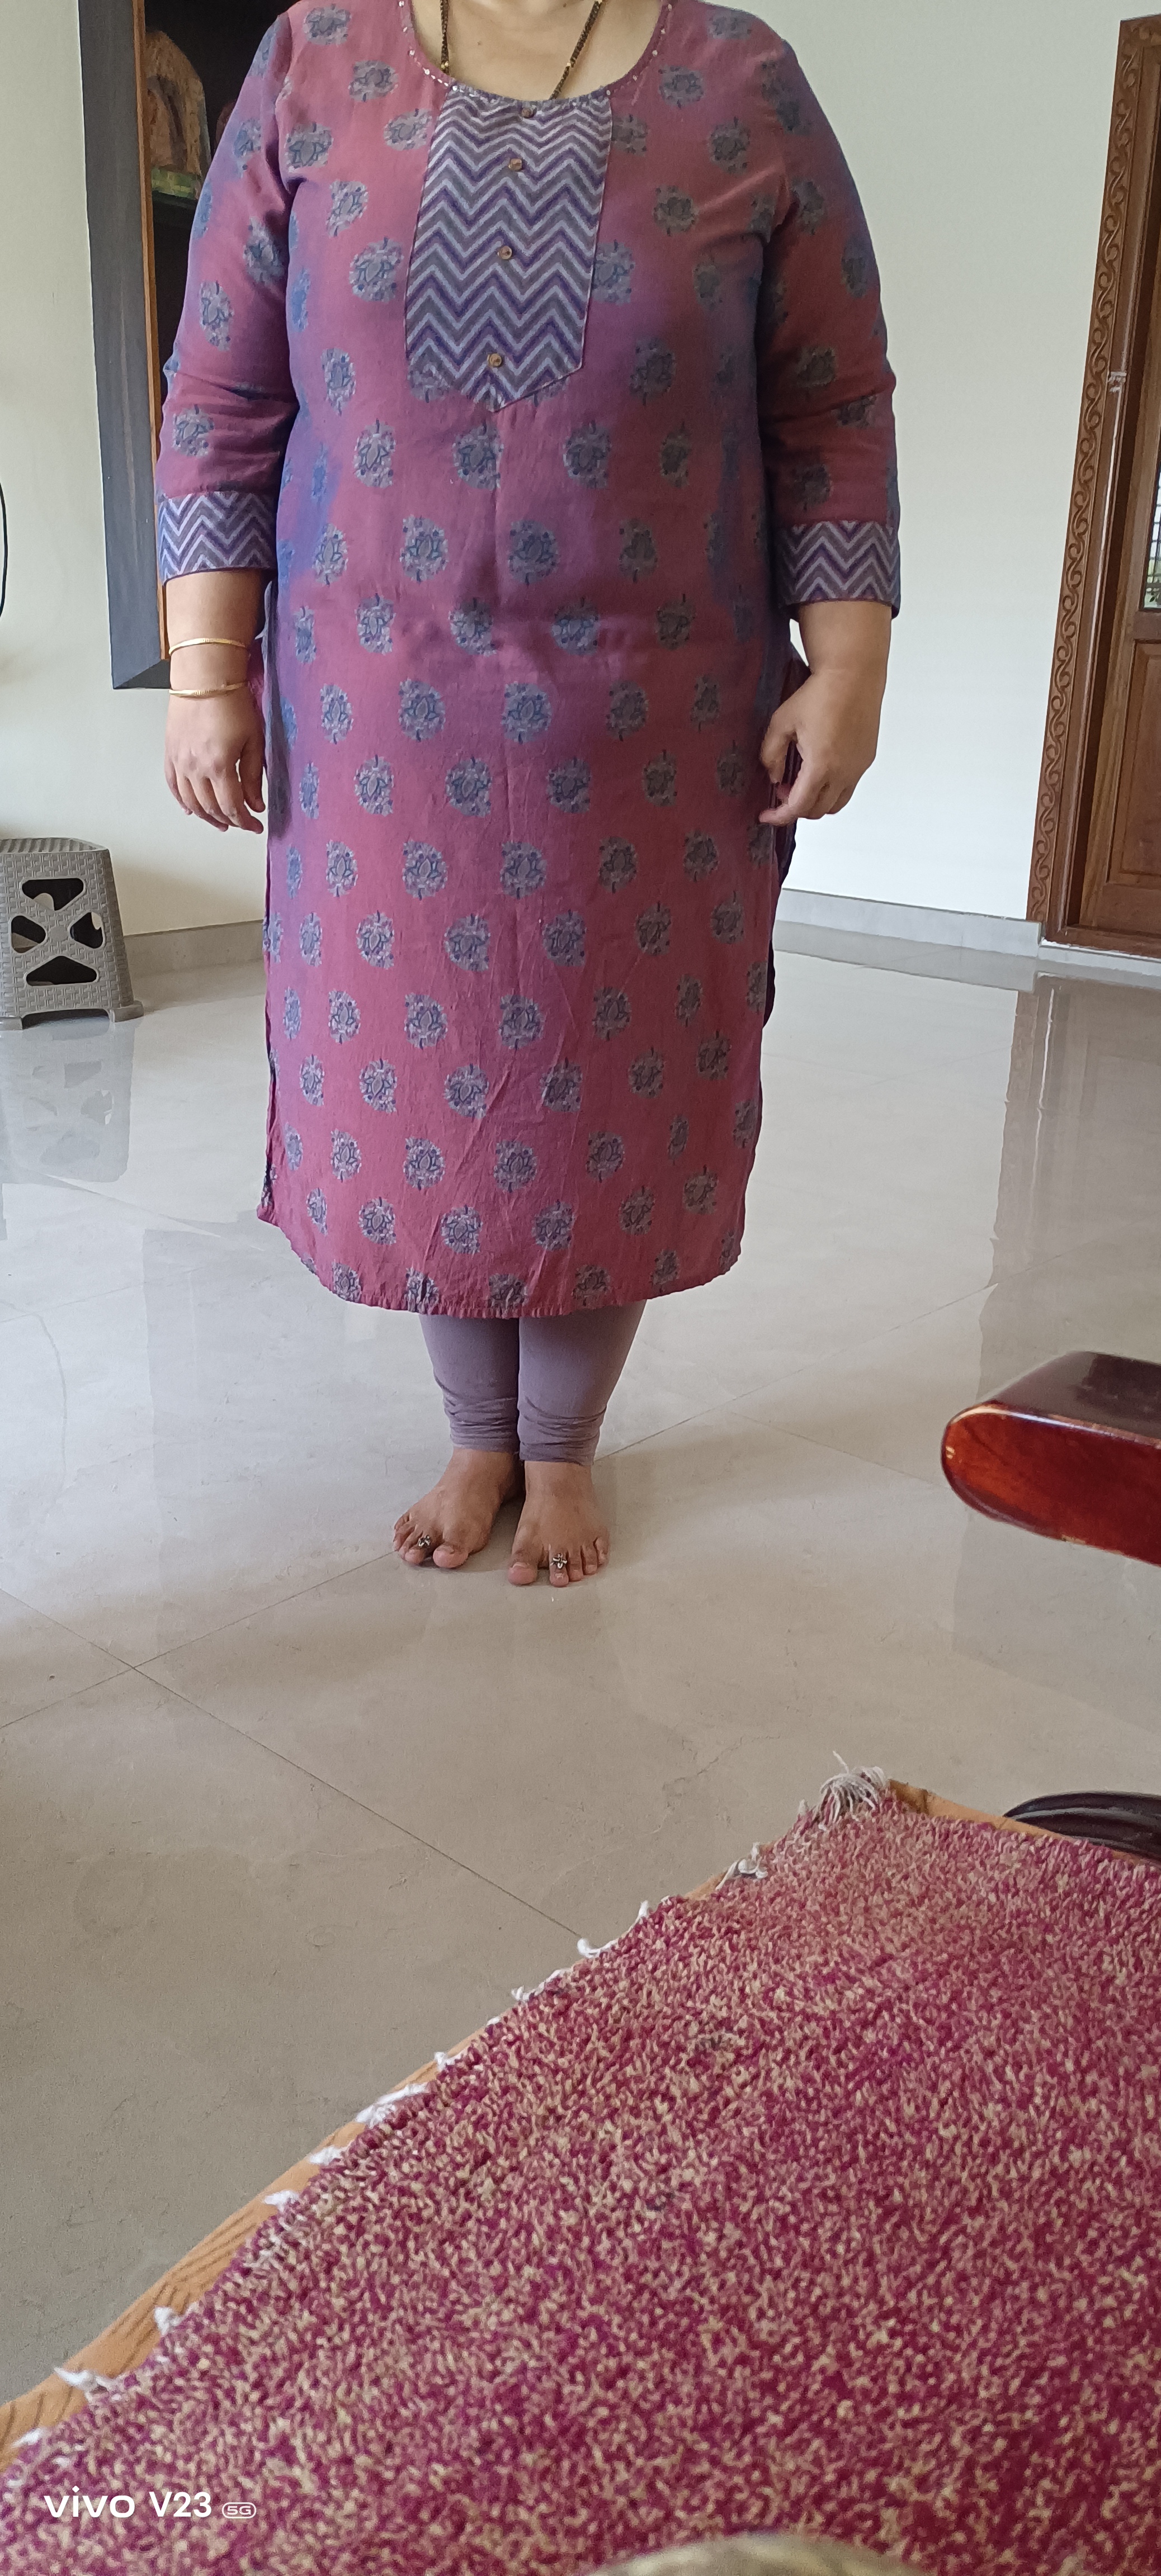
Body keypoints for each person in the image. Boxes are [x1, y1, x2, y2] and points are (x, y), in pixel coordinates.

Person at [156, 0, 897, 1588]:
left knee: (602, 1084)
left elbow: (830, 401)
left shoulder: (740, 84)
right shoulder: (315, 61)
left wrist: (850, 661)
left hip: (653, 720)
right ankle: (473, 1433)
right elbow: (220, 395)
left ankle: (556, 1444)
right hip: (375, 723)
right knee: (419, 1080)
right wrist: (208, 672)